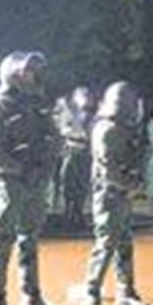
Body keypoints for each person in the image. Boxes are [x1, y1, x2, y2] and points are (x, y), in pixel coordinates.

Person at [0, 51, 62, 305]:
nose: (32, 76)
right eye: (27, 72)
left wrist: (44, 167)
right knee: (2, 241)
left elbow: (54, 139)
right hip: (9, 183)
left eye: (34, 72)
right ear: (13, 75)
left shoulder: (40, 107)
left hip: (36, 183)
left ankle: (32, 299)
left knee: (30, 240)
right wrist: (18, 168)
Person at [82, 82, 148, 305]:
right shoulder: (107, 129)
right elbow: (107, 168)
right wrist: (130, 185)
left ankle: (126, 291)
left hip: (122, 192)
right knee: (106, 242)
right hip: (109, 193)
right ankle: (91, 291)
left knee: (124, 242)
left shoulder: (125, 128)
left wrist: (135, 182)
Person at [59, 85, 97, 228]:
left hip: (86, 153)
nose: (86, 100)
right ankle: (67, 212)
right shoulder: (68, 114)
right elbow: (62, 129)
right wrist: (78, 135)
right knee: (68, 183)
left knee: (83, 184)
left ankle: (78, 212)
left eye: (88, 96)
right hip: (71, 152)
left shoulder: (93, 116)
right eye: (83, 96)